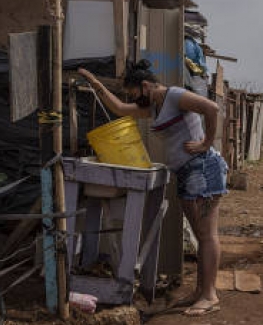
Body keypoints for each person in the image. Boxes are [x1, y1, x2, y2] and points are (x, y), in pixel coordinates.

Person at [78, 60, 227, 316]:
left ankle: (209, 296)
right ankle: (200, 292)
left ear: (145, 86)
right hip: (187, 171)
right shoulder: (156, 108)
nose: (132, 98)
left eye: (134, 93)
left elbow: (212, 108)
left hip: (203, 167)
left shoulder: (174, 96)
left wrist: (205, 143)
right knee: (200, 234)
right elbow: (121, 109)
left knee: (207, 234)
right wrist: (95, 83)